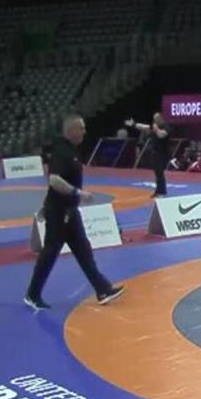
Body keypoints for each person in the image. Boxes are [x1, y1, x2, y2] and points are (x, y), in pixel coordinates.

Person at [25, 114, 124, 311]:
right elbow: (54, 180)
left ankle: (102, 289)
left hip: (69, 210)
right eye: (82, 128)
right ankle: (32, 294)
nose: (85, 132)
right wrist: (78, 193)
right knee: (50, 253)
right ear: (71, 130)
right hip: (59, 212)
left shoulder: (71, 149)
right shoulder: (61, 151)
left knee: (83, 250)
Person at [126, 112, 172, 197]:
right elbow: (144, 127)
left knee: (160, 172)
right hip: (155, 152)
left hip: (163, 153)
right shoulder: (154, 126)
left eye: (156, 119)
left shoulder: (166, 127)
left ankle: (162, 192)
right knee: (157, 173)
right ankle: (158, 191)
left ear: (161, 118)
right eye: (154, 119)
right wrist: (134, 124)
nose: (155, 121)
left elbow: (161, 135)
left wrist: (156, 129)